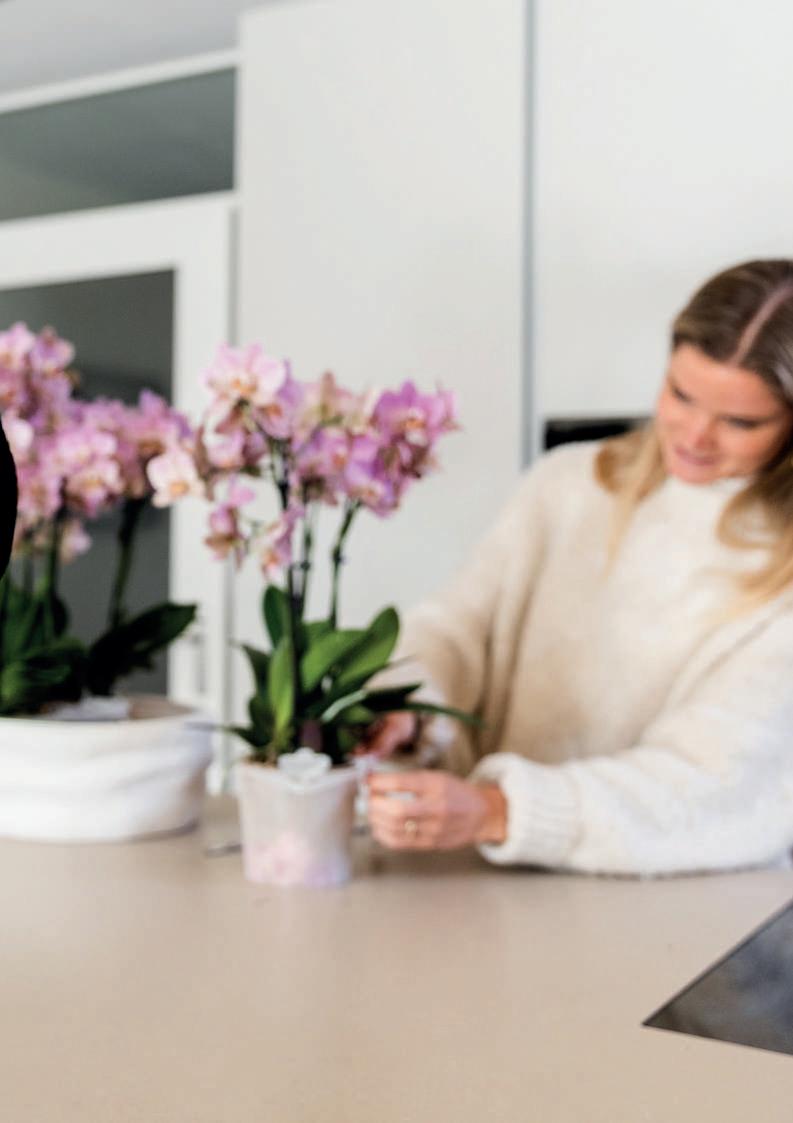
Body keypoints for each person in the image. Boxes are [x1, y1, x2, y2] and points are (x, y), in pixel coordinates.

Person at [365, 259, 793, 876]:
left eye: (740, 421)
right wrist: (410, 710)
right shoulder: (568, 485)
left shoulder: (780, 568)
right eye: (681, 394)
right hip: (494, 892)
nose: (695, 435)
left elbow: (718, 785)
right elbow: (459, 628)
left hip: (698, 920)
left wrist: (502, 811)